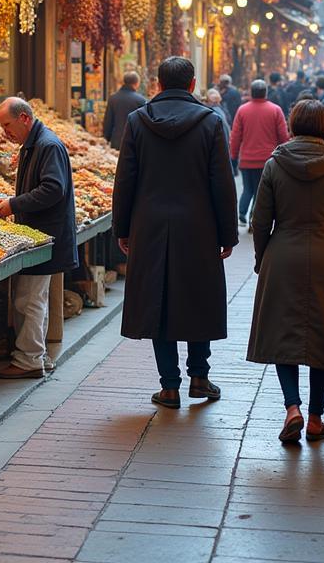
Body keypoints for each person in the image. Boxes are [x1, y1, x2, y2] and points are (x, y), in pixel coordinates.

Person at [112, 56, 237, 408]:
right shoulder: (211, 122)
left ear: (158, 85)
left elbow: (126, 180)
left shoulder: (138, 122)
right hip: (199, 226)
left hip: (149, 225)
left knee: (158, 300)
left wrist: (122, 227)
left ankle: (169, 386)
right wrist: (227, 233)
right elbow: (222, 182)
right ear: (193, 84)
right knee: (198, 299)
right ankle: (199, 377)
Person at [247, 99, 324, 443]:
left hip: (282, 253)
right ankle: (315, 418)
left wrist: (262, 257)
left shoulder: (274, 165)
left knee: (284, 332)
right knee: (323, 335)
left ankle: (292, 407)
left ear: (293, 125)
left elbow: (260, 220)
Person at [0, 98, 78, 379]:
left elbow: (53, 189)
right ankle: (37, 355)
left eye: (7, 125)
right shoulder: (35, 143)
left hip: (45, 235)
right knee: (32, 298)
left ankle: (28, 360)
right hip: (40, 235)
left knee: (29, 300)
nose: (5, 132)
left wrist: (14, 204)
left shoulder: (47, 145)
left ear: (25, 118)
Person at [230, 79, 290, 227]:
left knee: (248, 188)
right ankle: (253, 217)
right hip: (268, 159)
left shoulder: (242, 110)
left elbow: (236, 136)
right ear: (266, 92)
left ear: (251, 92)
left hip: (247, 158)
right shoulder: (275, 110)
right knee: (262, 191)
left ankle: (242, 212)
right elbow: (283, 136)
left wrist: (233, 156)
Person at [102, 71, 147, 150]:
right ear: (136, 83)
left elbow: (108, 121)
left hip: (117, 140)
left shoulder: (113, 98)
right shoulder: (141, 100)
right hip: (135, 141)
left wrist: (107, 137)